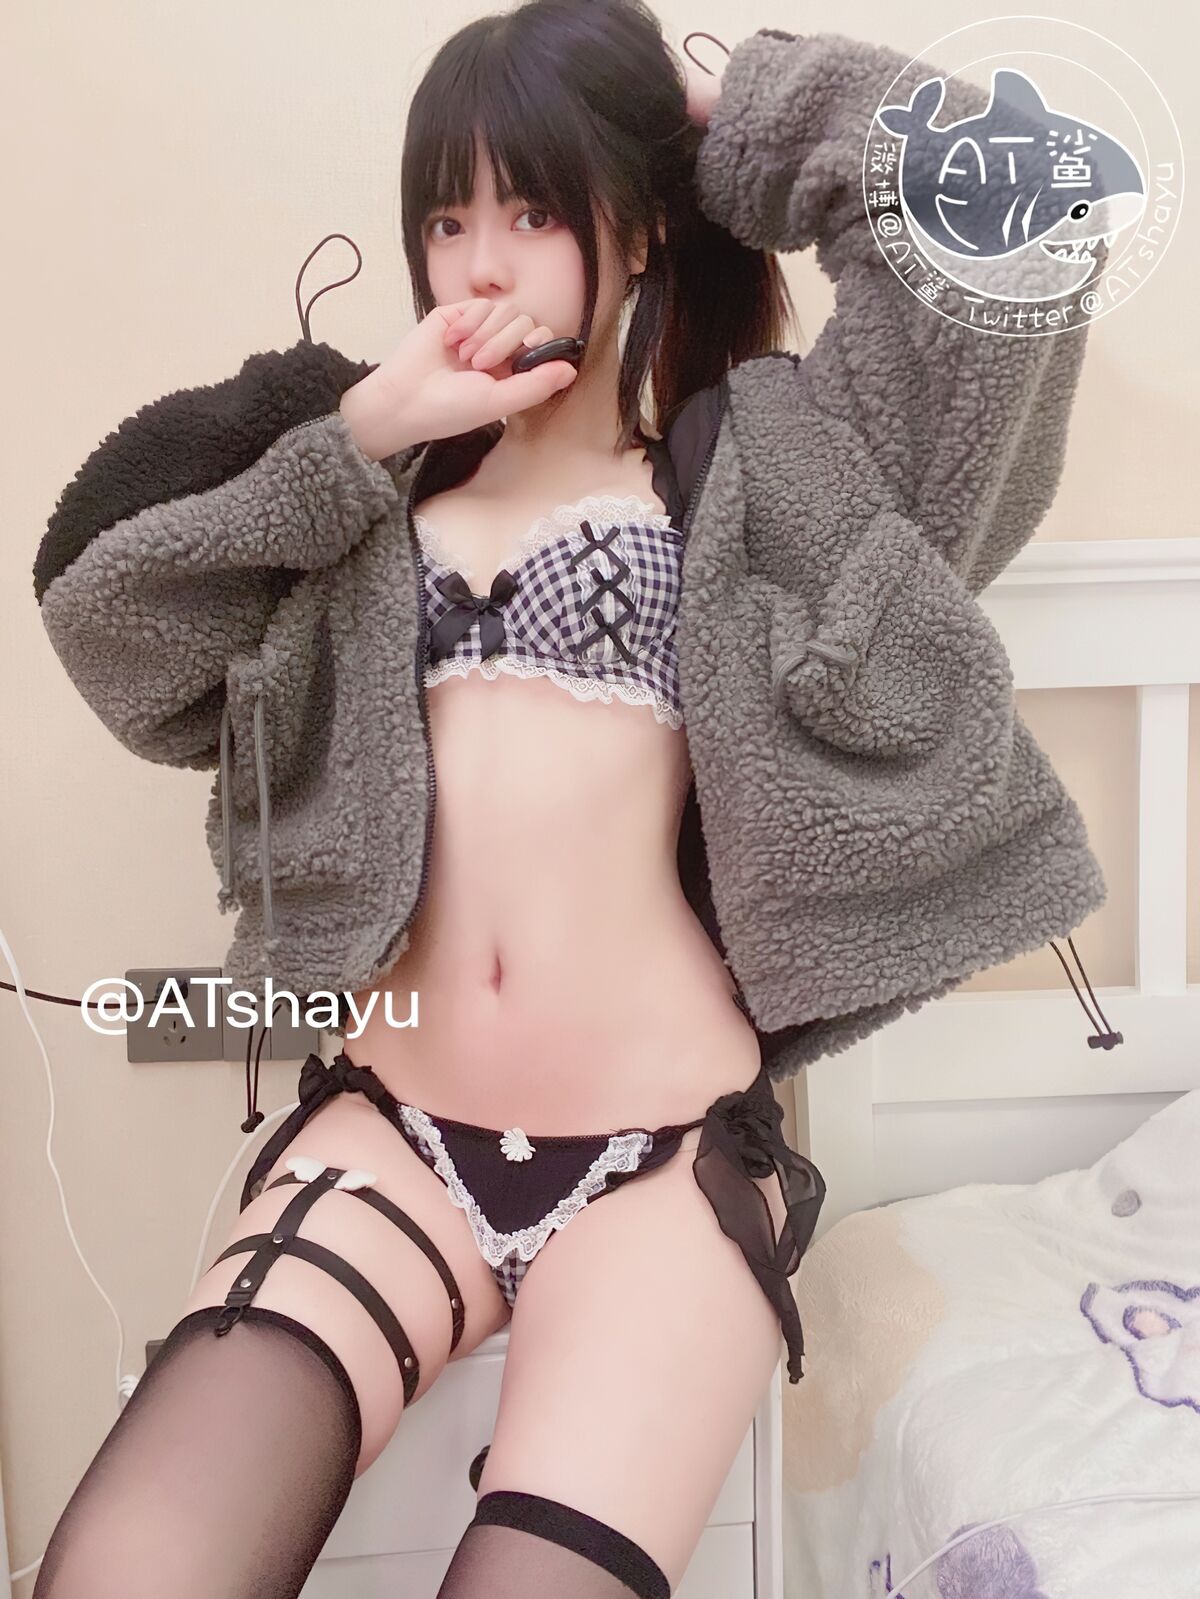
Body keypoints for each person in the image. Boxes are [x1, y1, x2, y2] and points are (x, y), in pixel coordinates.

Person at [30, 2, 1107, 1595]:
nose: (479, 266)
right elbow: (113, 628)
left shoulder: (767, 479)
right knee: (131, 1568)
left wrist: (740, 106)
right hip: (390, 1137)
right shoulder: (365, 498)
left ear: (639, 225)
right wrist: (363, 432)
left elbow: (1031, 205)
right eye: (445, 219)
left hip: (661, 1164)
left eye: (534, 213)